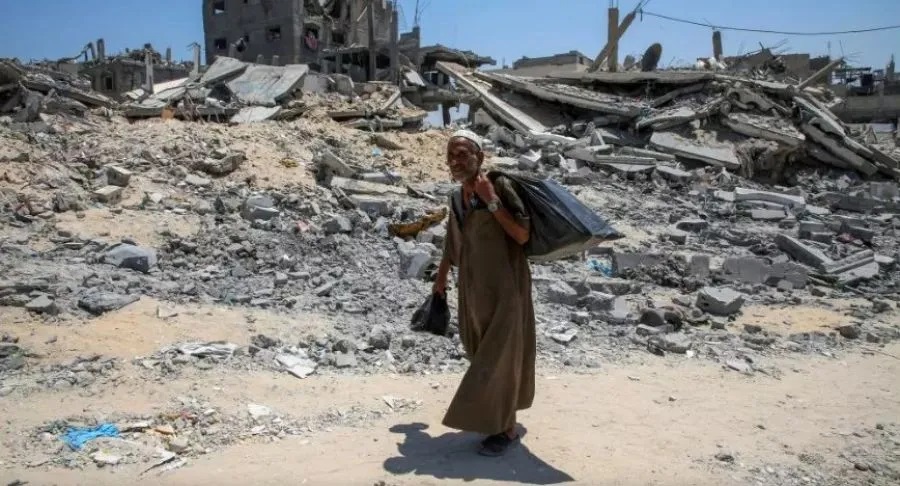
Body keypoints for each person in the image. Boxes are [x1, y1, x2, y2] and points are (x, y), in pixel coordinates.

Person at [432, 129, 536, 457]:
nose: (455, 161)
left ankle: (506, 428)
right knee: (478, 351)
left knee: (500, 356)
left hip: (507, 287)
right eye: (451, 155)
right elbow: (453, 242)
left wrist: (491, 200)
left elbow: (521, 234)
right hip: (473, 288)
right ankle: (498, 416)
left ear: (480, 156)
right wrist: (441, 278)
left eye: (463, 154)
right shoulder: (456, 197)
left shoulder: (499, 186)